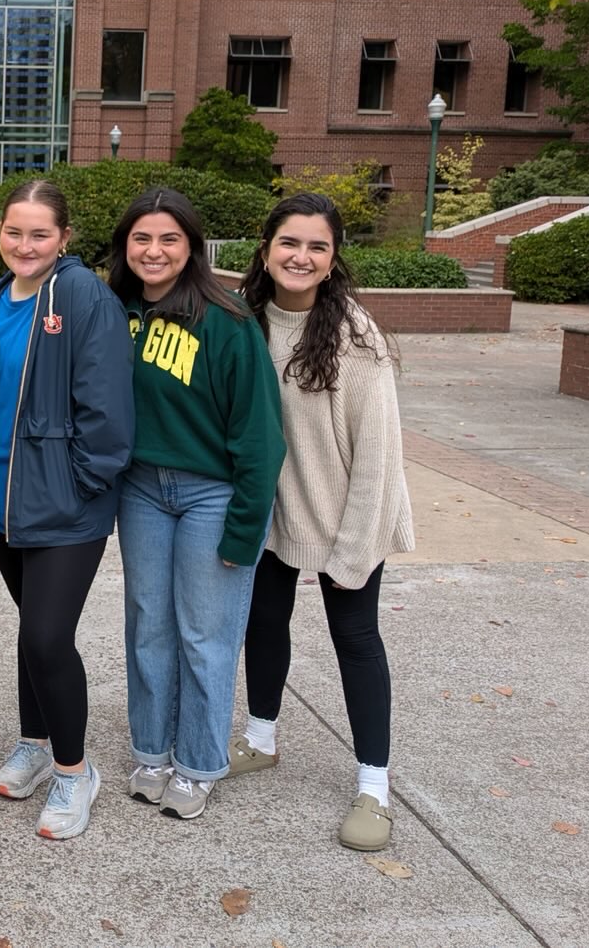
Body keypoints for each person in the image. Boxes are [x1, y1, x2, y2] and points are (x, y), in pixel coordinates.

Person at [228, 192, 415, 852]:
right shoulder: (245, 319)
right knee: (263, 622)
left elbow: (380, 457)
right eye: (289, 243)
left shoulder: (354, 338)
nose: (300, 257)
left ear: (334, 260)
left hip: (346, 512)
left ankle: (374, 788)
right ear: (265, 249)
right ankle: (261, 738)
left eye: (317, 247)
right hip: (275, 513)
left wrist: (354, 549)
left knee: (356, 638)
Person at [0, 181, 134, 840]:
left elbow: (108, 408)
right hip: (5, 500)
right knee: (32, 632)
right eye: (14, 232)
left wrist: (82, 484)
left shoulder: (83, 297)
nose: (25, 246)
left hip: (64, 505)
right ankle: (34, 742)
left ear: (64, 238)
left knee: (45, 638)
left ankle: (72, 771)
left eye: (39, 234)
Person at [109, 187, 285, 821]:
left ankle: (199, 763)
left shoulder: (226, 319)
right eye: (142, 239)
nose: (154, 251)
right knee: (147, 627)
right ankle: (152, 752)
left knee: (205, 635)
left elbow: (262, 437)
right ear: (124, 246)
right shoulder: (114, 309)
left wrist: (244, 532)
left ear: (191, 247)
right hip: (141, 492)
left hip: (212, 494)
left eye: (169, 239)